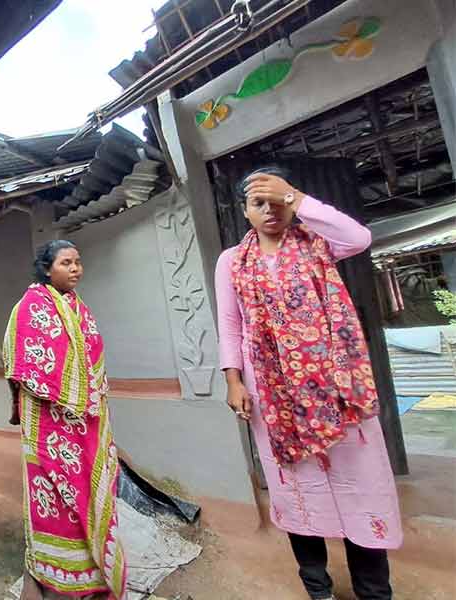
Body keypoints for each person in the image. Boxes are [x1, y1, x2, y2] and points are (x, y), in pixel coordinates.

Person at [215, 167, 402, 600]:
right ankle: (318, 589)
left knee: (362, 487)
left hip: (338, 393)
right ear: (244, 210)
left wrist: (297, 198)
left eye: (276, 199)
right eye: (258, 202)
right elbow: (230, 323)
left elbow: (360, 238)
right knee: (298, 489)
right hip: (273, 396)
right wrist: (233, 380)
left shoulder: (317, 242)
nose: (270, 210)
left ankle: (375, 592)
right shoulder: (231, 261)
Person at [4, 240, 127, 600]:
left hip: (86, 422)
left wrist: (87, 400)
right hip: (47, 422)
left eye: (78, 262)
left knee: (87, 487)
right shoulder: (29, 307)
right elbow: (25, 361)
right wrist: (71, 394)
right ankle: (47, 570)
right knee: (52, 496)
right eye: (66, 263)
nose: (75, 269)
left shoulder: (80, 309)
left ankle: (92, 571)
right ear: (47, 269)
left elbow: (93, 359)